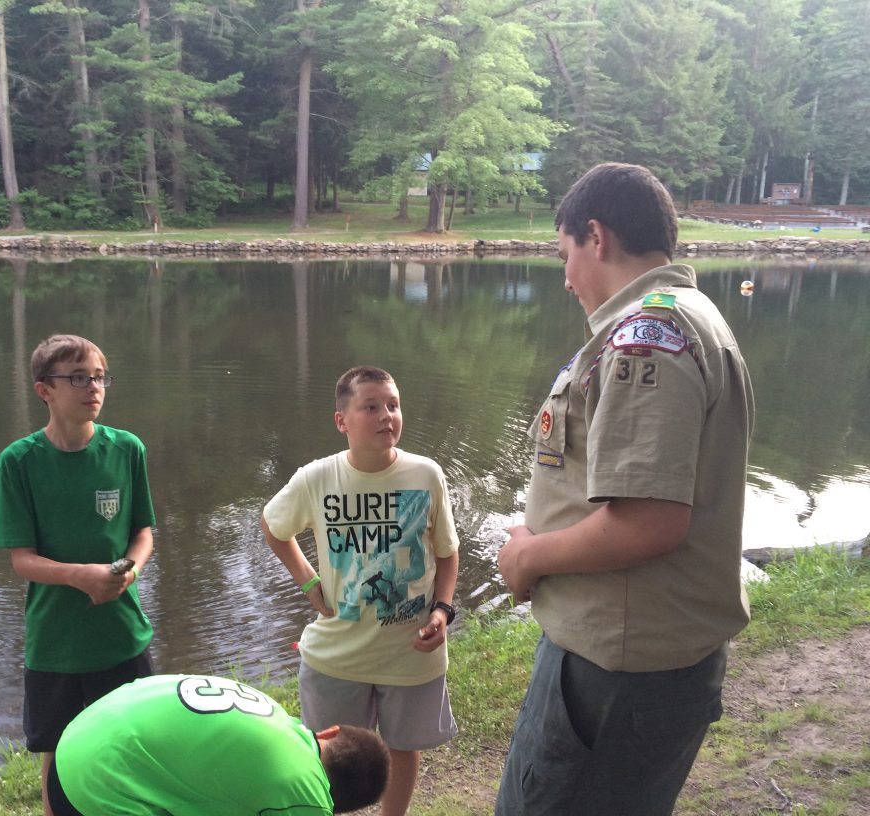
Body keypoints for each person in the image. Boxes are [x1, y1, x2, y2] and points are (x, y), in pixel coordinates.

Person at [495, 163, 755, 816]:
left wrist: (528, 557)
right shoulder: (689, 317)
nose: (566, 277)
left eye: (565, 255)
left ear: (596, 236)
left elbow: (649, 522)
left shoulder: (646, 338)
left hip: (615, 672)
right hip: (636, 660)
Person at [261, 365, 461, 816]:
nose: (386, 415)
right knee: (326, 755)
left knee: (402, 747)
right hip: (338, 654)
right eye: (371, 406)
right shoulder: (317, 478)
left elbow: (447, 554)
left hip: (409, 652)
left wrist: (442, 611)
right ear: (342, 421)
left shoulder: (425, 475)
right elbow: (274, 527)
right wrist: (310, 582)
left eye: (393, 405)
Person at [0, 334, 159, 816]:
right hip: (55, 643)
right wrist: (79, 576)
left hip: (122, 634)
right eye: (78, 377)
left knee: (131, 746)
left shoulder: (126, 449)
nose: (94, 387)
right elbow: (21, 559)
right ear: (44, 389)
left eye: (100, 376)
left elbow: (143, 533)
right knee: (60, 755)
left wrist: (128, 572)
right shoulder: (18, 462)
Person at [47, 673, 391, 815]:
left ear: (328, 732)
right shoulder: (308, 798)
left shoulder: (276, 716)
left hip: (80, 734)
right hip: (96, 785)